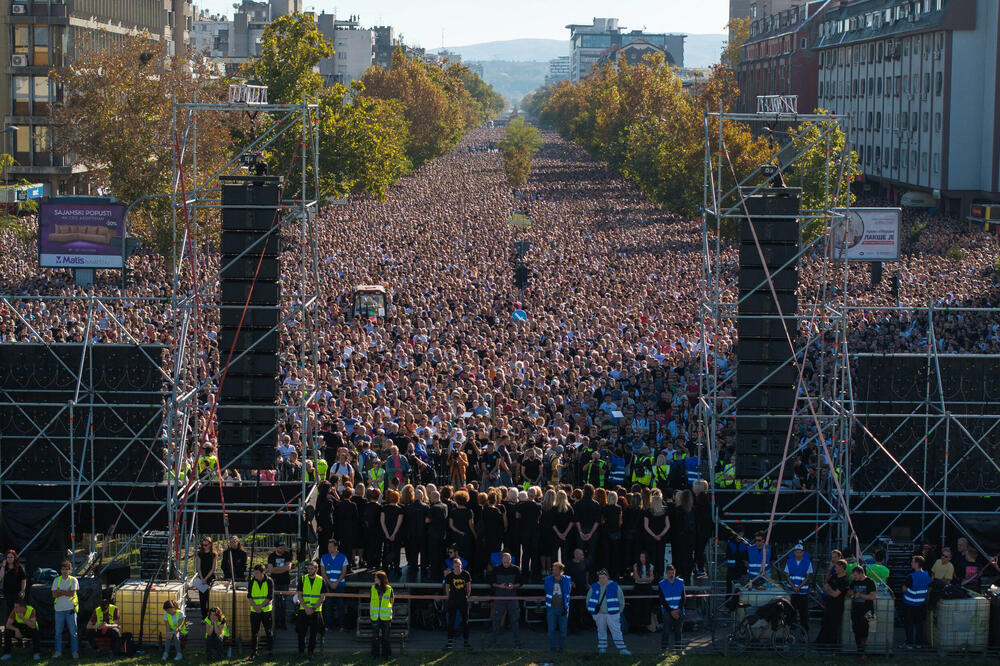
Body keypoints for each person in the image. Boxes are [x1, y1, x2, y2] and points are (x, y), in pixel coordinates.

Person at [586, 568, 630, 655]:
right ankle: (602, 648)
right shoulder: (594, 587)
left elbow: (621, 599)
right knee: (601, 631)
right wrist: (593, 613)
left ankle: (622, 649)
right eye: (600, 578)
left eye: (603, 577)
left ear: (608, 577)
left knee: (616, 631)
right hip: (599, 614)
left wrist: (619, 612)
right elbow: (588, 600)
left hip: (613, 614)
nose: (601, 579)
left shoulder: (614, 586)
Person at [488, 552, 521, 647]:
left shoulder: (516, 569)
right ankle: (493, 641)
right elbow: (491, 582)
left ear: (511, 560)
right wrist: (499, 586)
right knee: (496, 620)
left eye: (508, 561)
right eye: (505, 561)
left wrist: (513, 586)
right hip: (500, 598)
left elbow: (521, 582)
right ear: (501, 560)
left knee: (515, 620)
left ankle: (517, 641)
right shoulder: (496, 569)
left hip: (512, 597)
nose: (506, 563)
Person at [319, 538, 350, 633]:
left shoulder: (343, 557)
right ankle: (328, 626)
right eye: (328, 546)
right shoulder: (324, 557)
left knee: (340, 606)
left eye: (331, 546)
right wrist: (329, 583)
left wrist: (336, 583)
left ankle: (342, 626)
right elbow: (323, 573)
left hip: (339, 585)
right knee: (328, 606)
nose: (329, 548)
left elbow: (344, 572)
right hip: (328, 586)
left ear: (336, 547)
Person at [51, 560, 79, 659]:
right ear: (60, 570)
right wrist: (65, 592)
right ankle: (58, 651)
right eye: (63, 569)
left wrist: (60, 592)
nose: (65, 571)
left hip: (71, 609)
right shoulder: (56, 580)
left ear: (70, 570)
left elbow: (72, 593)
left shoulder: (74, 580)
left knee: (73, 632)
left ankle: (75, 652)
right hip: (59, 610)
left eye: (67, 569)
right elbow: (54, 595)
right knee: (58, 632)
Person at [296, 560, 324, 659]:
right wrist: (307, 608)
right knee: (301, 633)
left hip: (316, 611)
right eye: (308, 568)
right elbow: (299, 596)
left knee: (313, 634)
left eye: (312, 568)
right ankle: (301, 652)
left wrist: (313, 608)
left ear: (316, 569)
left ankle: (310, 652)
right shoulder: (302, 579)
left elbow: (322, 597)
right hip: (303, 610)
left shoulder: (321, 580)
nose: (309, 570)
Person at [816, 559, 848, 647]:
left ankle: (833, 646)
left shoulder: (844, 580)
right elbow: (826, 585)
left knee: (834, 626)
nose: (835, 569)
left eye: (836, 567)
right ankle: (821, 643)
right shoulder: (834, 576)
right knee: (825, 623)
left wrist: (829, 590)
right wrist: (830, 590)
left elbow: (835, 594)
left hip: (837, 606)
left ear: (842, 568)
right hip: (829, 603)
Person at [901, 555, 930, 649]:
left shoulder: (911, 576)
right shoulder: (927, 574)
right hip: (921, 603)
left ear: (917, 564)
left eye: (913, 562)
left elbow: (904, 589)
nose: (911, 563)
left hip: (909, 603)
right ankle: (919, 643)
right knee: (919, 624)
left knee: (909, 624)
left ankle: (909, 643)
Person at [443, 557, 472, 650]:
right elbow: (447, 588)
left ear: (461, 565)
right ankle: (449, 642)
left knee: (465, 622)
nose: (457, 568)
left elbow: (468, 587)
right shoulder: (449, 576)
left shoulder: (466, 574)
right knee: (451, 621)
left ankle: (466, 642)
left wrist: (467, 596)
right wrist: (449, 597)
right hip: (453, 601)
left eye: (459, 566)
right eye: (455, 566)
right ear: (452, 567)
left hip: (463, 600)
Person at [247, 564, 274, 660]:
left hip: (266, 611)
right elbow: (249, 596)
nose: (255, 575)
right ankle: (254, 652)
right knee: (254, 632)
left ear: (263, 573)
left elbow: (269, 596)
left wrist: (260, 607)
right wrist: (255, 607)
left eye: (257, 573)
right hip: (254, 611)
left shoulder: (269, 581)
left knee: (268, 632)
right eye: (254, 573)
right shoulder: (251, 581)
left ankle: (270, 652)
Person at [783, 543, 813, 630]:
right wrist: (793, 587)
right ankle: (791, 631)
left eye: (800, 552)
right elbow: (787, 576)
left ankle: (804, 633)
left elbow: (807, 577)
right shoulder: (789, 561)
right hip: (792, 592)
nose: (798, 554)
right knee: (791, 612)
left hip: (803, 592)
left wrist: (799, 587)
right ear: (794, 552)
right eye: (797, 552)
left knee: (804, 614)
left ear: (803, 552)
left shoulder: (808, 562)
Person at [544, 561, 572, 653]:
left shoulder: (567, 579)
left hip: (563, 609)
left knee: (563, 630)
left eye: (556, 569)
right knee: (551, 630)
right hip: (551, 609)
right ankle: (552, 648)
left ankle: (561, 649)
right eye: (553, 569)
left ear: (561, 570)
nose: (553, 571)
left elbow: (568, 591)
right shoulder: (548, 579)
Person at [849, 565, 876, 657]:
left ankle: (864, 648)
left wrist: (860, 595)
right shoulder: (854, 582)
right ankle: (860, 651)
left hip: (867, 610)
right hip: (856, 609)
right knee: (856, 630)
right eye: (853, 575)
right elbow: (849, 592)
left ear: (861, 574)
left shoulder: (870, 582)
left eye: (856, 575)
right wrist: (850, 593)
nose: (854, 577)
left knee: (864, 630)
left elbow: (872, 596)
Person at [658, 564, 685, 654]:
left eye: (673, 573)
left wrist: (678, 610)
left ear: (675, 572)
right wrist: (671, 611)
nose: (671, 575)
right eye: (669, 573)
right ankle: (664, 650)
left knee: (678, 631)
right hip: (667, 611)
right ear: (666, 573)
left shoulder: (681, 582)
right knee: (666, 631)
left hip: (679, 611)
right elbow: (662, 600)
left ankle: (678, 650)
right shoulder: (661, 584)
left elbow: (683, 598)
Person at [267, 540, 292, 630]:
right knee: (276, 604)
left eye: (283, 547)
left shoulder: (287, 555)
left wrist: (276, 569)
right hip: (275, 582)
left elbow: (288, 567)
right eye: (280, 547)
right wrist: (282, 569)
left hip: (284, 582)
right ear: (276, 548)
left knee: (284, 603)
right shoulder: (272, 556)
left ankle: (283, 622)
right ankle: (276, 623)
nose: (282, 549)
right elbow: (271, 570)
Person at [370, 570, 394, 659]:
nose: (374, 579)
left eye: (376, 578)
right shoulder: (372, 588)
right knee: (375, 637)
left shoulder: (389, 589)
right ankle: (375, 655)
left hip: (386, 617)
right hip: (375, 616)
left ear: (380, 579)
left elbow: (392, 601)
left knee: (386, 637)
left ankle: (386, 655)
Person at [0, 551, 27, 624]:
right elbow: (1, 578)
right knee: (8, 611)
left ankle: (18, 628)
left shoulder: (19, 567)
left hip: (17, 593)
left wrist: (22, 590)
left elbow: (23, 580)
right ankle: (9, 628)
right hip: (7, 593)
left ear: (15, 558)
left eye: (11, 557)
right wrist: (3, 565)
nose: (9, 559)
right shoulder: (4, 567)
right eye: (8, 557)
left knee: (17, 612)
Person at [196, 537, 218, 618]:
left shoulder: (214, 554)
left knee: (210, 598)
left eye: (206, 545)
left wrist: (206, 578)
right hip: (202, 577)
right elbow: (198, 568)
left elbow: (213, 569)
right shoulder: (200, 554)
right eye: (203, 545)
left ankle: (211, 616)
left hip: (210, 577)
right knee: (202, 598)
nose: (204, 547)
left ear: (210, 545)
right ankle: (203, 616)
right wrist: (202, 578)